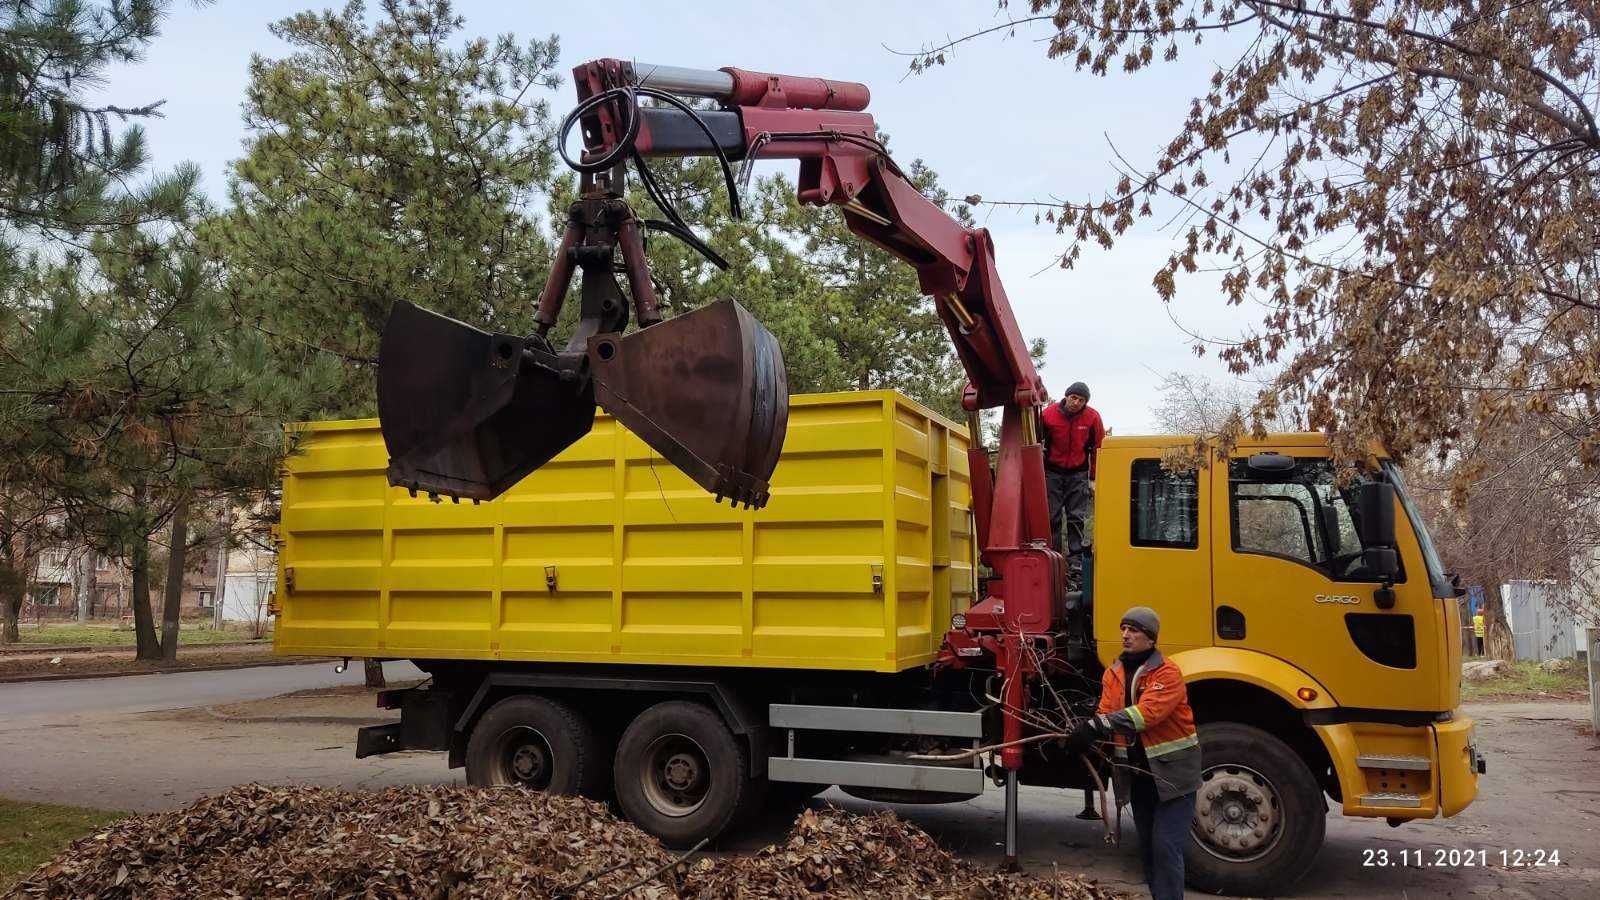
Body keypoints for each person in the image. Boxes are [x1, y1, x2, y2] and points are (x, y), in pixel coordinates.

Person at [1067, 607, 1200, 900]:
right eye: (1123, 629)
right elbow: (1105, 714)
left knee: (1166, 847)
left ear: (1151, 638)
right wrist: (1083, 737)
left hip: (1174, 777)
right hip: (1139, 778)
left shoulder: (1167, 673)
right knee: (1150, 851)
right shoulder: (1113, 673)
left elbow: (1147, 714)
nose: (1126, 635)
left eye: (1134, 630)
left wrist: (1097, 724)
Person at [1040, 382, 1105, 575]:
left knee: (1076, 516)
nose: (1076, 402)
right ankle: (1054, 556)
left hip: (1078, 473)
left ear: (1085, 402)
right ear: (1066, 396)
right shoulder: (1047, 415)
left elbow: (1098, 449)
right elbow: (1036, 443)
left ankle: (1075, 558)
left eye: (1081, 400)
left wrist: (1093, 478)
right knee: (1053, 516)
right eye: (1073, 398)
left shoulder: (1092, 417)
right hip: (1053, 472)